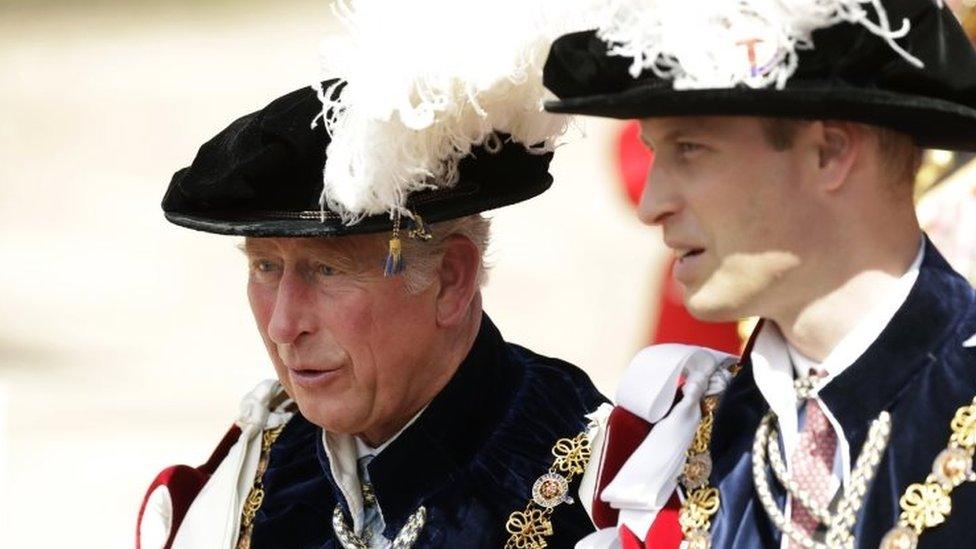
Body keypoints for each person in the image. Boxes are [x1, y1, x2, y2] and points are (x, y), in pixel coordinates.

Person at [135, 2, 609, 547]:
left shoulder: (594, 489)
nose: (283, 326)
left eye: (328, 269)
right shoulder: (255, 470)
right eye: (265, 266)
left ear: (450, 279)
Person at [543, 1, 976, 548]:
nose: (650, 204)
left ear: (829, 152)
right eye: (656, 151)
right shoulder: (680, 446)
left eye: (690, 148)